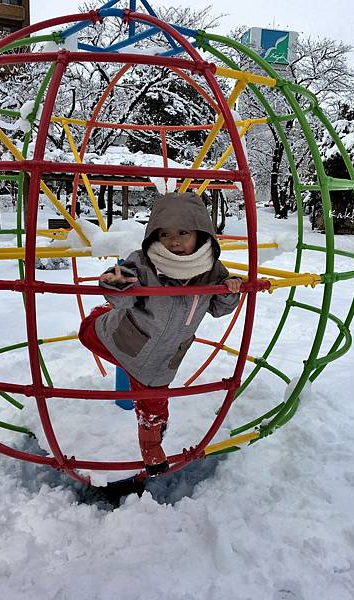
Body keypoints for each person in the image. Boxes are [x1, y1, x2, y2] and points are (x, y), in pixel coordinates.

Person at [79, 192, 243, 476]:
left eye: (183, 233)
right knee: (87, 331)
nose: (174, 241)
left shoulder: (212, 270)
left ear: (201, 234)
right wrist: (116, 282)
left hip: (162, 360)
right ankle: (102, 316)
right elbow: (124, 283)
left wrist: (229, 291)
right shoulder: (144, 263)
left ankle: (151, 449)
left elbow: (218, 309)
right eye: (165, 234)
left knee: (154, 407)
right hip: (123, 340)